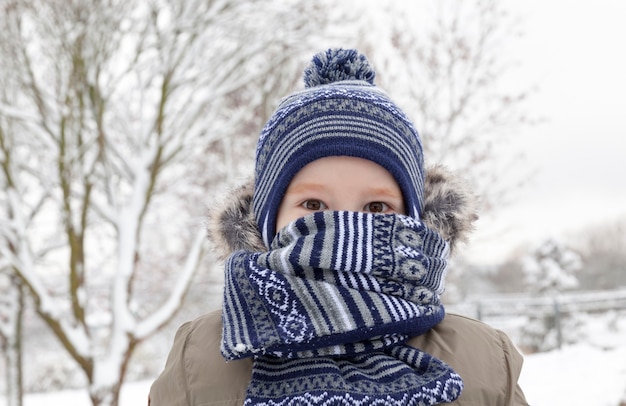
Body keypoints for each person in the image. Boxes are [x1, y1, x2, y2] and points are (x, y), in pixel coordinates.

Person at [149, 48, 528, 405]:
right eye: (313, 205)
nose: (346, 225)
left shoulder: (485, 360)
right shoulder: (200, 359)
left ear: (414, 218)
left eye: (377, 207)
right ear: (266, 220)